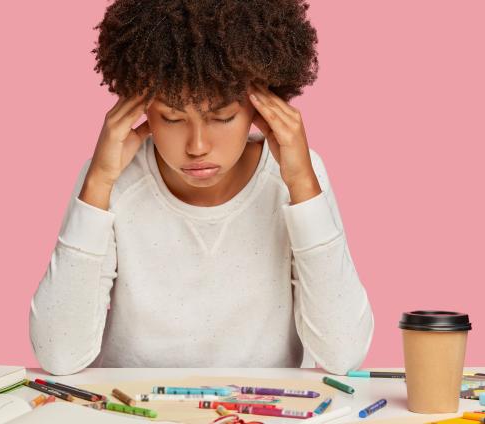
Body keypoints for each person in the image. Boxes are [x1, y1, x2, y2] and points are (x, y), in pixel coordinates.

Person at [30, 0, 374, 375]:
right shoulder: (111, 177)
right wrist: (97, 183)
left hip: (260, 410)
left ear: (261, 107)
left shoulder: (295, 178)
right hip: (132, 409)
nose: (197, 145)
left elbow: (344, 354)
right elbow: (58, 355)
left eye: (222, 117)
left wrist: (303, 186)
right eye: (172, 118)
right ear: (140, 108)